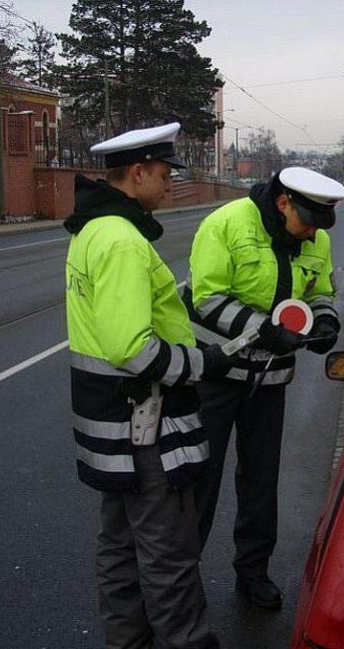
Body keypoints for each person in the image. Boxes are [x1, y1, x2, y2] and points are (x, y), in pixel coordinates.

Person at [64, 122, 232, 649]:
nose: (169, 185)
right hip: (145, 427)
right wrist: (203, 363)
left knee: (118, 547)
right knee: (169, 557)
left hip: (111, 425)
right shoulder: (122, 242)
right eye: (163, 174)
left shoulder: (94, 230)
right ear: (137, 173)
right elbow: (132, 348)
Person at [184, 167, 344, 609]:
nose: (313, 232)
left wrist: (326, 320)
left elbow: (319, 291)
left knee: (260, 481)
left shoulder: (316, 237)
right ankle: (181, 579)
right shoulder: (227, 224)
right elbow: (207, 297)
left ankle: (253, 572)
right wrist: (264, 329)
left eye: (320, 224)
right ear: (283, 204)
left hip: (270, 380)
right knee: (199, 479)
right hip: (215, 376)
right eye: (308, 221)